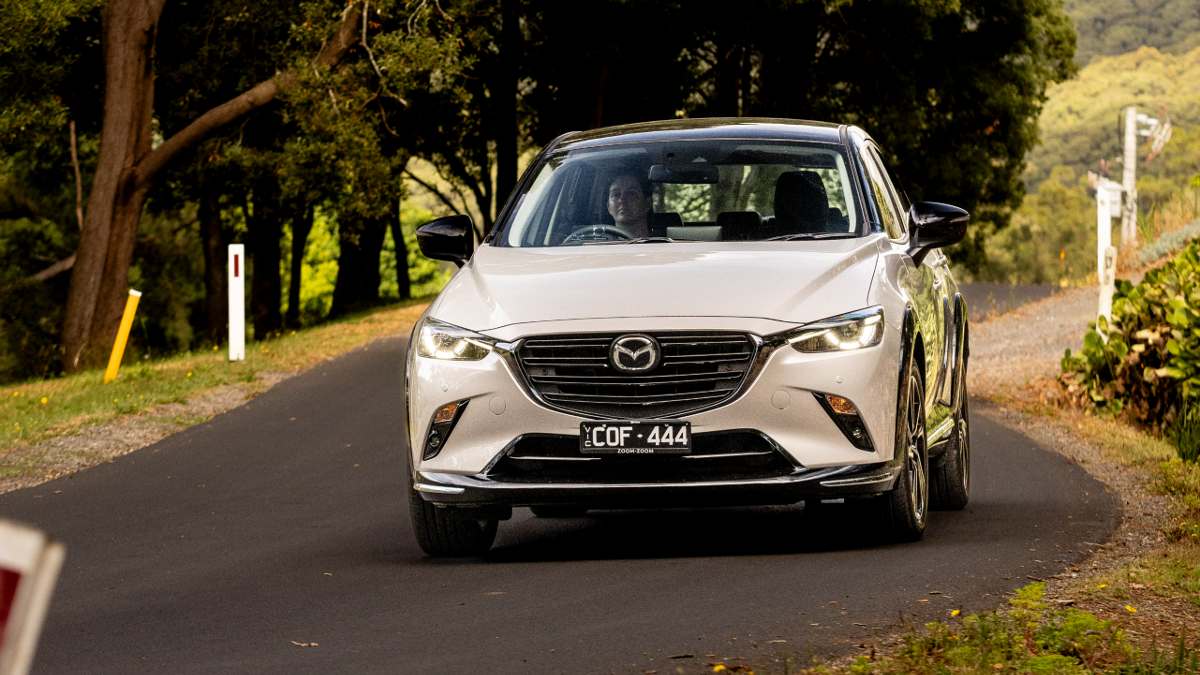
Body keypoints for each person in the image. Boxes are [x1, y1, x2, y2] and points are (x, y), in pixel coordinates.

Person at [606, 173, 652, 237]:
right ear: (608, 207)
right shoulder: (598, 245)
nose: (622, 200)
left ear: (647, 204)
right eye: (616, 194)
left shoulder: (664, 244)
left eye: (631, 194)